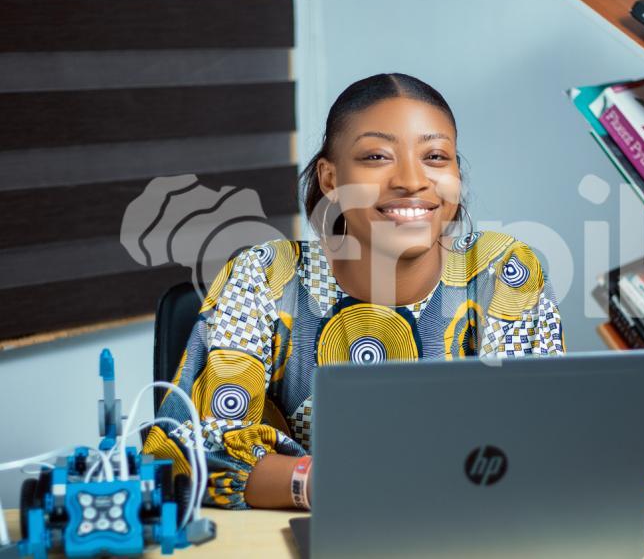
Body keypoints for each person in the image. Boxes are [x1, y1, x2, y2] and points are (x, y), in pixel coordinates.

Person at [143, 73, 565, 510]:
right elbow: (189, 455)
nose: (411, 180)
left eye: (436, 156)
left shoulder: (505, 272)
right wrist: (329, 484)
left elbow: (540, 440)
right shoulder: (265, 275)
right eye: (378, 155)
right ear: (330, 179)